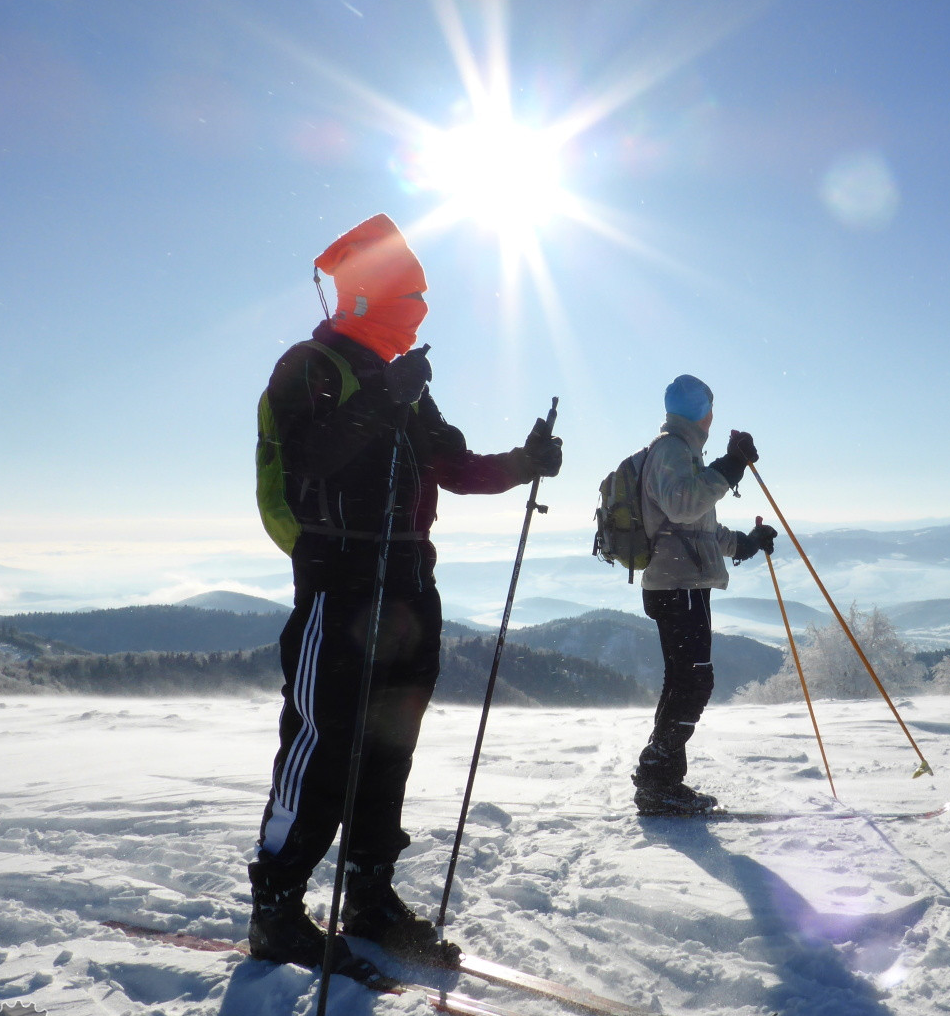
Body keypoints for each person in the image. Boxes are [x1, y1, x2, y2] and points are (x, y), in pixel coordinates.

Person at [249, 213, 562, 972]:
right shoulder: (311, 367)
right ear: (370, 294)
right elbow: (311, 460)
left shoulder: (405, 384)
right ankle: (277, 907)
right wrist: (383, 400)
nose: (418, 311)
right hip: (339, 586)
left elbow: (455, 466)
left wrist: (524, 462)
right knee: (322, 745)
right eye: (409, 296)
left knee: (390, 746)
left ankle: (368, 893)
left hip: (411, 589)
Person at [632, 374, 777, 815]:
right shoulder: (672, 450)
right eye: (710, 408)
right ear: (703, 413)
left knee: (683, 681)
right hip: (679, 586)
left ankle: (661, 781)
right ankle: (656, 779)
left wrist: (746, 543)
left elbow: (698, 527)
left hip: (679, 583)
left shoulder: (682, 453)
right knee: (694, 682)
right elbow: (684, 507)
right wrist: (730, 465)